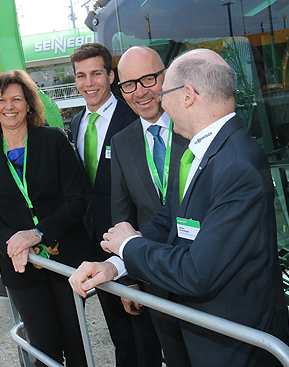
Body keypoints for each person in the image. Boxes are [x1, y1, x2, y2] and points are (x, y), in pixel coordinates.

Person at [70, 49, 289, 367]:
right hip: (204, 327)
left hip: (236, 342)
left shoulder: (236, 164)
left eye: (163, 90)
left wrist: (130, 244)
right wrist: (117, 265)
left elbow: (198, 273)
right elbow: (169, 220)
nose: (157, 98)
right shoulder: (207, 151)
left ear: (187, 96)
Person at [0, 69, 94, 366]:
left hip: (65, 258)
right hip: (21, 266)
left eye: (16, 99)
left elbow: (79, 199)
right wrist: (12, 241)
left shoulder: (54, 141)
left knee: (76, 343)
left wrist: (37, 233)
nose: (9, 106)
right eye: (1, 100)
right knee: (43, 348)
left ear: (28, 104)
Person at [69, 42, 158, 367]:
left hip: (135, 238)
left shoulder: (133, 116)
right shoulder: (77, 123)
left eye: (96, 74)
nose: (88, 83)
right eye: (81, 76)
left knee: (145, 329)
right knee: (119, 331)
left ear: (110, 76)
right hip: (96, 244)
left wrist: (132, 256)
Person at [111, 46, 190, 367]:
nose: (139, 92)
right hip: (154, 278)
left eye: (148, 79)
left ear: (166, 76)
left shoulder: (196, 127)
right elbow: (122, 216)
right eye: (129, 84)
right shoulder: (122, 141)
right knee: (175, 358)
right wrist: (129, 280)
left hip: (208, 275)